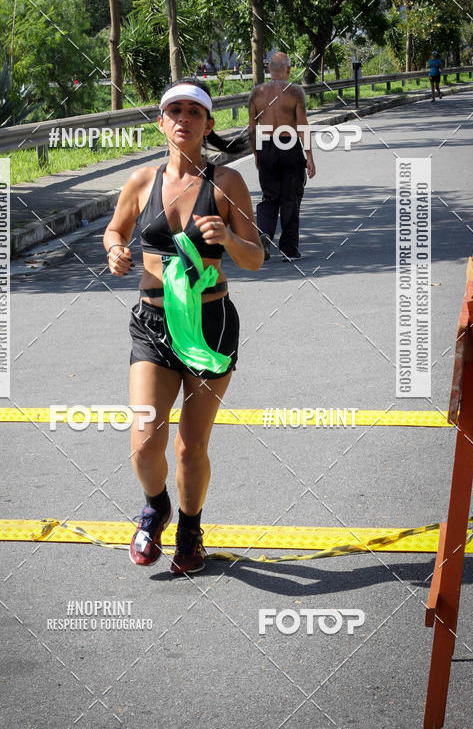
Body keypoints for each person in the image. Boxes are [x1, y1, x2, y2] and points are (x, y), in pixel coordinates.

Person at [103, 78, 263, 575]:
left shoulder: (227, 183)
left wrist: (227, 240)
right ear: (161, 122)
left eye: (195, 112)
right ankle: (156, 506)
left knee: (191, 446)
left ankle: (190, 530)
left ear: (208, 124)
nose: (184, 119)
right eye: (175, 111)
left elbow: (255, 257)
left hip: (209, 324)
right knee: (144, 440)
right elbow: (115, 228)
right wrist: (114, 250)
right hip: (152, 325)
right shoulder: (141, 182)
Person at [248, 51, 316, 261]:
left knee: (269, 197)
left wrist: (257, 154)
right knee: (290, 199)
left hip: (267, 146)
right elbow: (302, 125)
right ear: (287, 69)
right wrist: (309, 157)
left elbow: (252, 128)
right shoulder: (295, 92)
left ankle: (264, 233)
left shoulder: (256, 93)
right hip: (289, 145)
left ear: (269, 69)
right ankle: (289, 249)